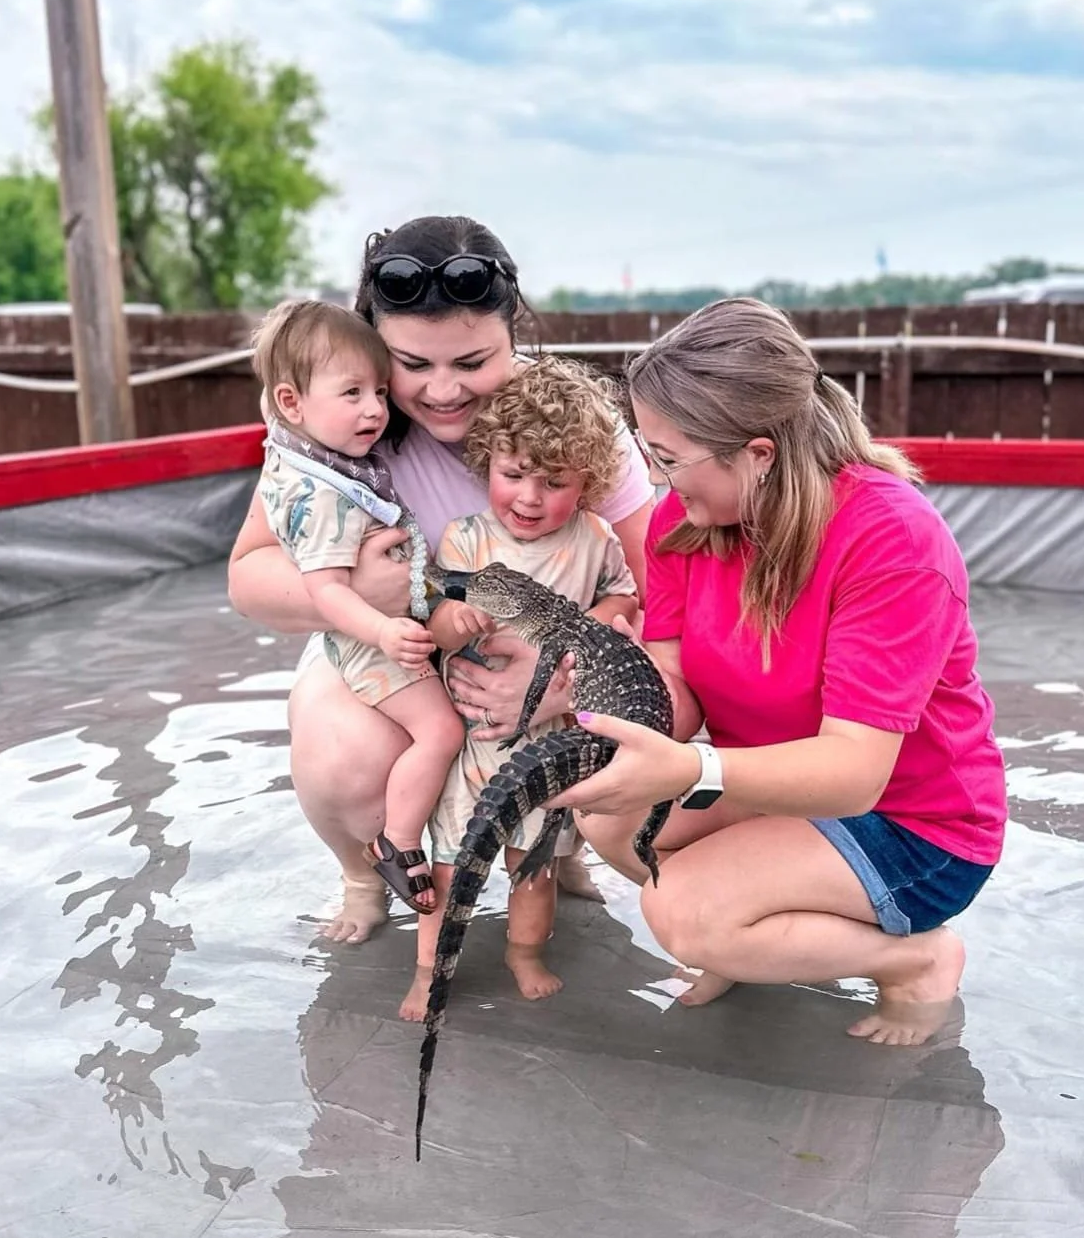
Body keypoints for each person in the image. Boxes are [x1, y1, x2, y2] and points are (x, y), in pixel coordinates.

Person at [550, 297, 1007, 1047]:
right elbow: (676, 682)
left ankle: (916, 958)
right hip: (772, 782)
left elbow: (854, 773)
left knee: (683, 912)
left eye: (668, 457)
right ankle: (751, 936)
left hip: (915, 824)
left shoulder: (891, 539)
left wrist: (684, 767)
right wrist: (599, 699)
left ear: (757, 454)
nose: (657, 481)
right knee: (609, 813)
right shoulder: (684, 526)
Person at [227, 216, 654, 942]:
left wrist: (565, 677)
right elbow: (247, 577)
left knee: (651, 707)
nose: (444, 390)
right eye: (412, 365)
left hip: (549, 646)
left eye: (472, 360)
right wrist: (358, 593)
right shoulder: (343, 427)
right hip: (396, 643)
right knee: (342, 751)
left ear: (513, 335)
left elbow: (655, 584)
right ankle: (366, 871)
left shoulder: (571, 423)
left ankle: (563, 846)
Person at [397, 357, 640, 1018]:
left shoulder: (594, 540)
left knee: (532, 869)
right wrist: (455, 618)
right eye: (513, 475)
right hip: (472, 747)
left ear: (586, 482)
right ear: (487, 463)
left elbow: (624, 601)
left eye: (553, 481)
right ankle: (426, 969)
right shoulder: (468, 540)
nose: (529, 496)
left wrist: (588, 626)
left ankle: (524, 952)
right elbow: (434, 622)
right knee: (446, 870)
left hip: (548, 744)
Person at [249, 299, 465, 913]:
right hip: (373, 642)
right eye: (352, 393)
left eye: (378, 390)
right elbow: (325, 591)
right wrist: (385, 629)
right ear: (293, 404)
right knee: (441, 729)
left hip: (391, 630)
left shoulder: (327, 455)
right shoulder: (320, 494)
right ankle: (393, 847)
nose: (374, 408)